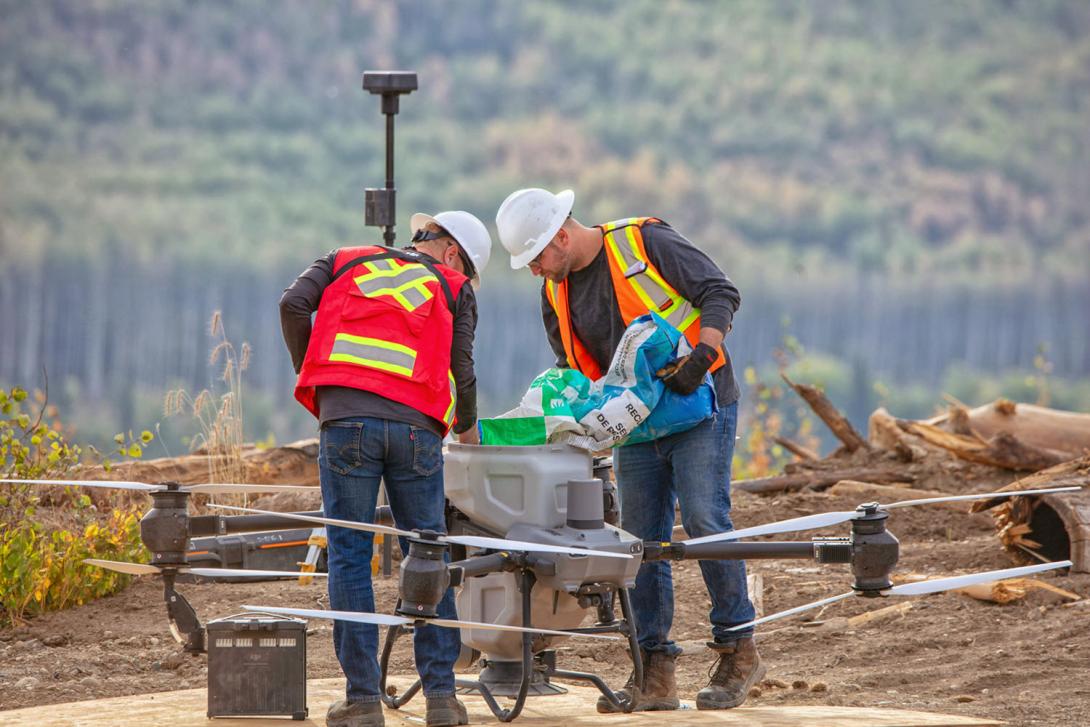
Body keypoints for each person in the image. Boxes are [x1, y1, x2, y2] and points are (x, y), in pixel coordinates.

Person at [495, 188, 762, 712]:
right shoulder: (555, 293)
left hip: (698, 404)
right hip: (637, 427)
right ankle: (654, 671)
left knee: (706, 520)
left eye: (536, 258)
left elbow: (719, 291)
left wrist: (702, 354)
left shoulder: (643, 243)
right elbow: (574, 370)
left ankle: (738, 650)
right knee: (640, 542)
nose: (534, 271)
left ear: (561, 237)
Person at [280, 211, 491, 727]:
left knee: (350, 556)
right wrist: (468, 434)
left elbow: (292, 304)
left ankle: (362, 700)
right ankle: (441, 698)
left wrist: (315, 374)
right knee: (428, 552)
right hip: (418, 429)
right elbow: (462, 369)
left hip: (346, 418)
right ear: (453, 254)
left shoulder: (343, 259)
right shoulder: (454, 286)